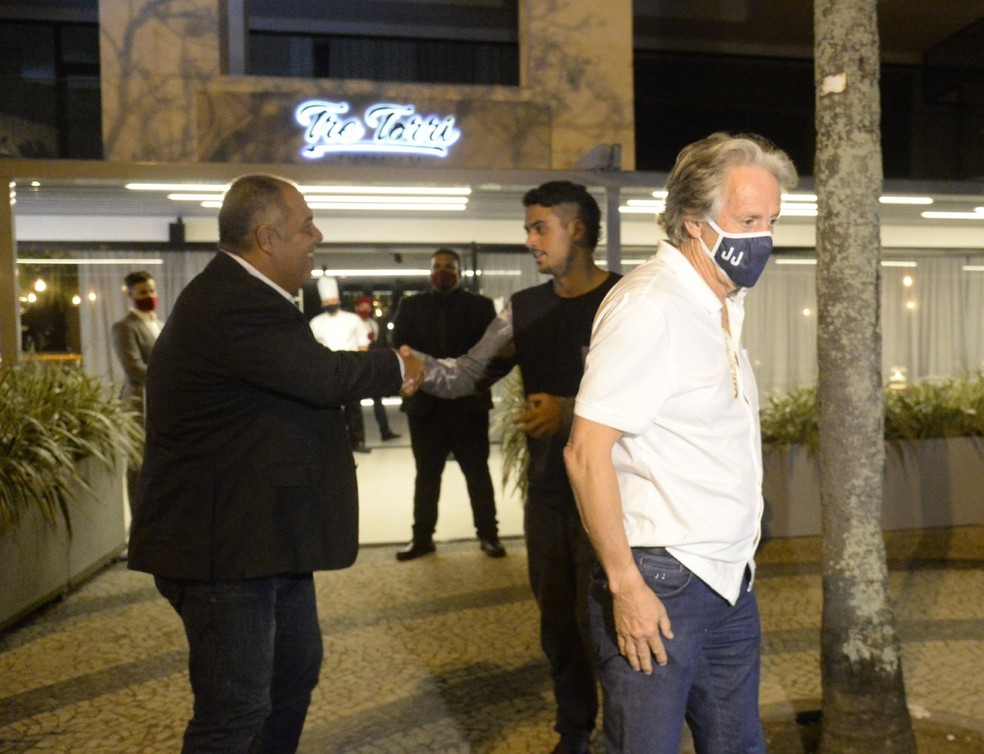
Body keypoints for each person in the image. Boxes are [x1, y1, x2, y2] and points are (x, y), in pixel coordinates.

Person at [127, 174, 424, 753]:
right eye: (306, 224)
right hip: (224, 550)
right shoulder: (235, 302)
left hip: (264, 538)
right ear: (267, 237)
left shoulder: (253, 299)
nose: (317, 235)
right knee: (234, 710)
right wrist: (400, 365)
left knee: (292, 676)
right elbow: (321, 377)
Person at [564, 132, 798, 754]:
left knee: (740, 745)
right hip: (660, 582)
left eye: (772, 220)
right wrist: (625, 585)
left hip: (728, 579)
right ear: (693, 222)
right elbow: (585, 453)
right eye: (748, 220)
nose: (764, 237)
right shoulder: (650, 306)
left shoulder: (723, 303)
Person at [413, 184, 619, 754]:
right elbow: (463, 375)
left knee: (609, 624)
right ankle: (574, 732)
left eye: (539, 227)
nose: (529, 240)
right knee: (559, 625)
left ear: (577, 229)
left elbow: (663, 398)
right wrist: (402, 367)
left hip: (622, 498)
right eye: (528, 228)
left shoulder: (628, 303)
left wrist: (572, 412)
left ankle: (627, 734)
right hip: (551, 495)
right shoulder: (523, 310)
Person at [392, 248, 504, 561]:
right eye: (438, 267)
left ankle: (489, 535)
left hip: (468, 406)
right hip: (425, 407)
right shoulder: (411, 305)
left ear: (459, 272)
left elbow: (491, 350)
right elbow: (397, 344)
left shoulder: (480, 306)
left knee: (477, 473)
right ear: (430, 272)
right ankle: (422, 538)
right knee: (427, 475)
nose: (443, 271)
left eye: (449, 267)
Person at [110, 269, 161, 516]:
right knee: (138, 467)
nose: (149, 296)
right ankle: (139, 526)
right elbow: (135, 368)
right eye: (143, 292)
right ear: (130, 295)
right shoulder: (123, 327)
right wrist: (172, 378)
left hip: (161, 405)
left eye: (151, 290)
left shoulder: (159, 324)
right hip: (137, 406)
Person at [309, 277, 373, 453]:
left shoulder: (353, 319)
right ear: (323, 303)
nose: (330, 303)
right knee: (328, 409)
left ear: (338, 300)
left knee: (353, 407)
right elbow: (311, 348)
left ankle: (357, 441)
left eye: (332, 300)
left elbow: (362, 344)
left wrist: (361, 367)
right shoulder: (315, 323)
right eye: (326, 301)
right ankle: (329, 444)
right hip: (326, 369)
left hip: (350, 366)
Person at [355, 295, 400, 442]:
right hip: (357, 364)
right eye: (362, 307)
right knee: (354, 404)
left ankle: (385, 431)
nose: (365, 310)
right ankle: (356, 438)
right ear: (357, 308)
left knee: (377, 399)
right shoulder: (352, 323)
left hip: (371, 364)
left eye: (367, 308)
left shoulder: (373, 324)